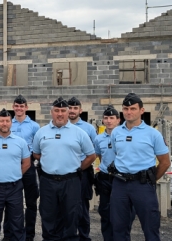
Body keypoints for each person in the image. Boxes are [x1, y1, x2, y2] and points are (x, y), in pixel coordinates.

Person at [32, 97, 96, 241]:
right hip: (48, 181)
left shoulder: (79, 132)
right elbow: (36, 153)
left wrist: (78, 168)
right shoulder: (41, 132)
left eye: (62, 111)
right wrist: (48, 162)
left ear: (68, 113)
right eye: (56, 111)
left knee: (71, 215)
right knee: (48, 215)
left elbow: (91, 156)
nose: (59, 114)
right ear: (51, 112)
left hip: (71, 181)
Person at [109, 93, 170, 241]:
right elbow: (117, 153)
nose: (129, 112)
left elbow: (165, 162)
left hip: (142, 185)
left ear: (141, 111)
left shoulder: (152, 134)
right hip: (120, 183)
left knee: (150, 226)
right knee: (118, 227)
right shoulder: (116, 132)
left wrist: (151, 179)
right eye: (125, 108)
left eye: (133, 108)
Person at [0, 109, 30, 241]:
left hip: (15, 187)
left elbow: (26, 163)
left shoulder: (20, 142)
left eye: (7, 121)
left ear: (11, 123)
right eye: (2, 121)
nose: (4, 123)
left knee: (17, 221)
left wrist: (14, 174)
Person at [93, 105, 135, 241]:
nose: (109, 121)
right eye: (106, 118)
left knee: (125, 214)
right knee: (106, 213)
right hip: (106, 179)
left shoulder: (127, 135)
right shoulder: (99, 139)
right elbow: (100, 157)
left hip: (123, 179)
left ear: (118, 120)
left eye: (112, 118)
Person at [3, 94, 40, 241]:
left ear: (26, 107)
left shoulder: (34, 126)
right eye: (16, 106)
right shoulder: (7, 123)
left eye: (22, 106)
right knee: (9, 201)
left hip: (28, 165)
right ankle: (9, 234)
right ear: (13, 107)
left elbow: (38, 147)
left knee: (31, 202)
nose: (19, 108)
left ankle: (29, 235)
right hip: (11, 164)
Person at [67, 97, 97, 241]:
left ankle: (84, 236)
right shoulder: (60, 127)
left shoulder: (88, 129)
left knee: (82, 206)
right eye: (70, 108)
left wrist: (80, 167)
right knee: (65, 206)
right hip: (65, 173)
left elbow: (94, 152)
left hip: (83, 171)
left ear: (80, 110)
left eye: (75, 108)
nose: (72, 111)